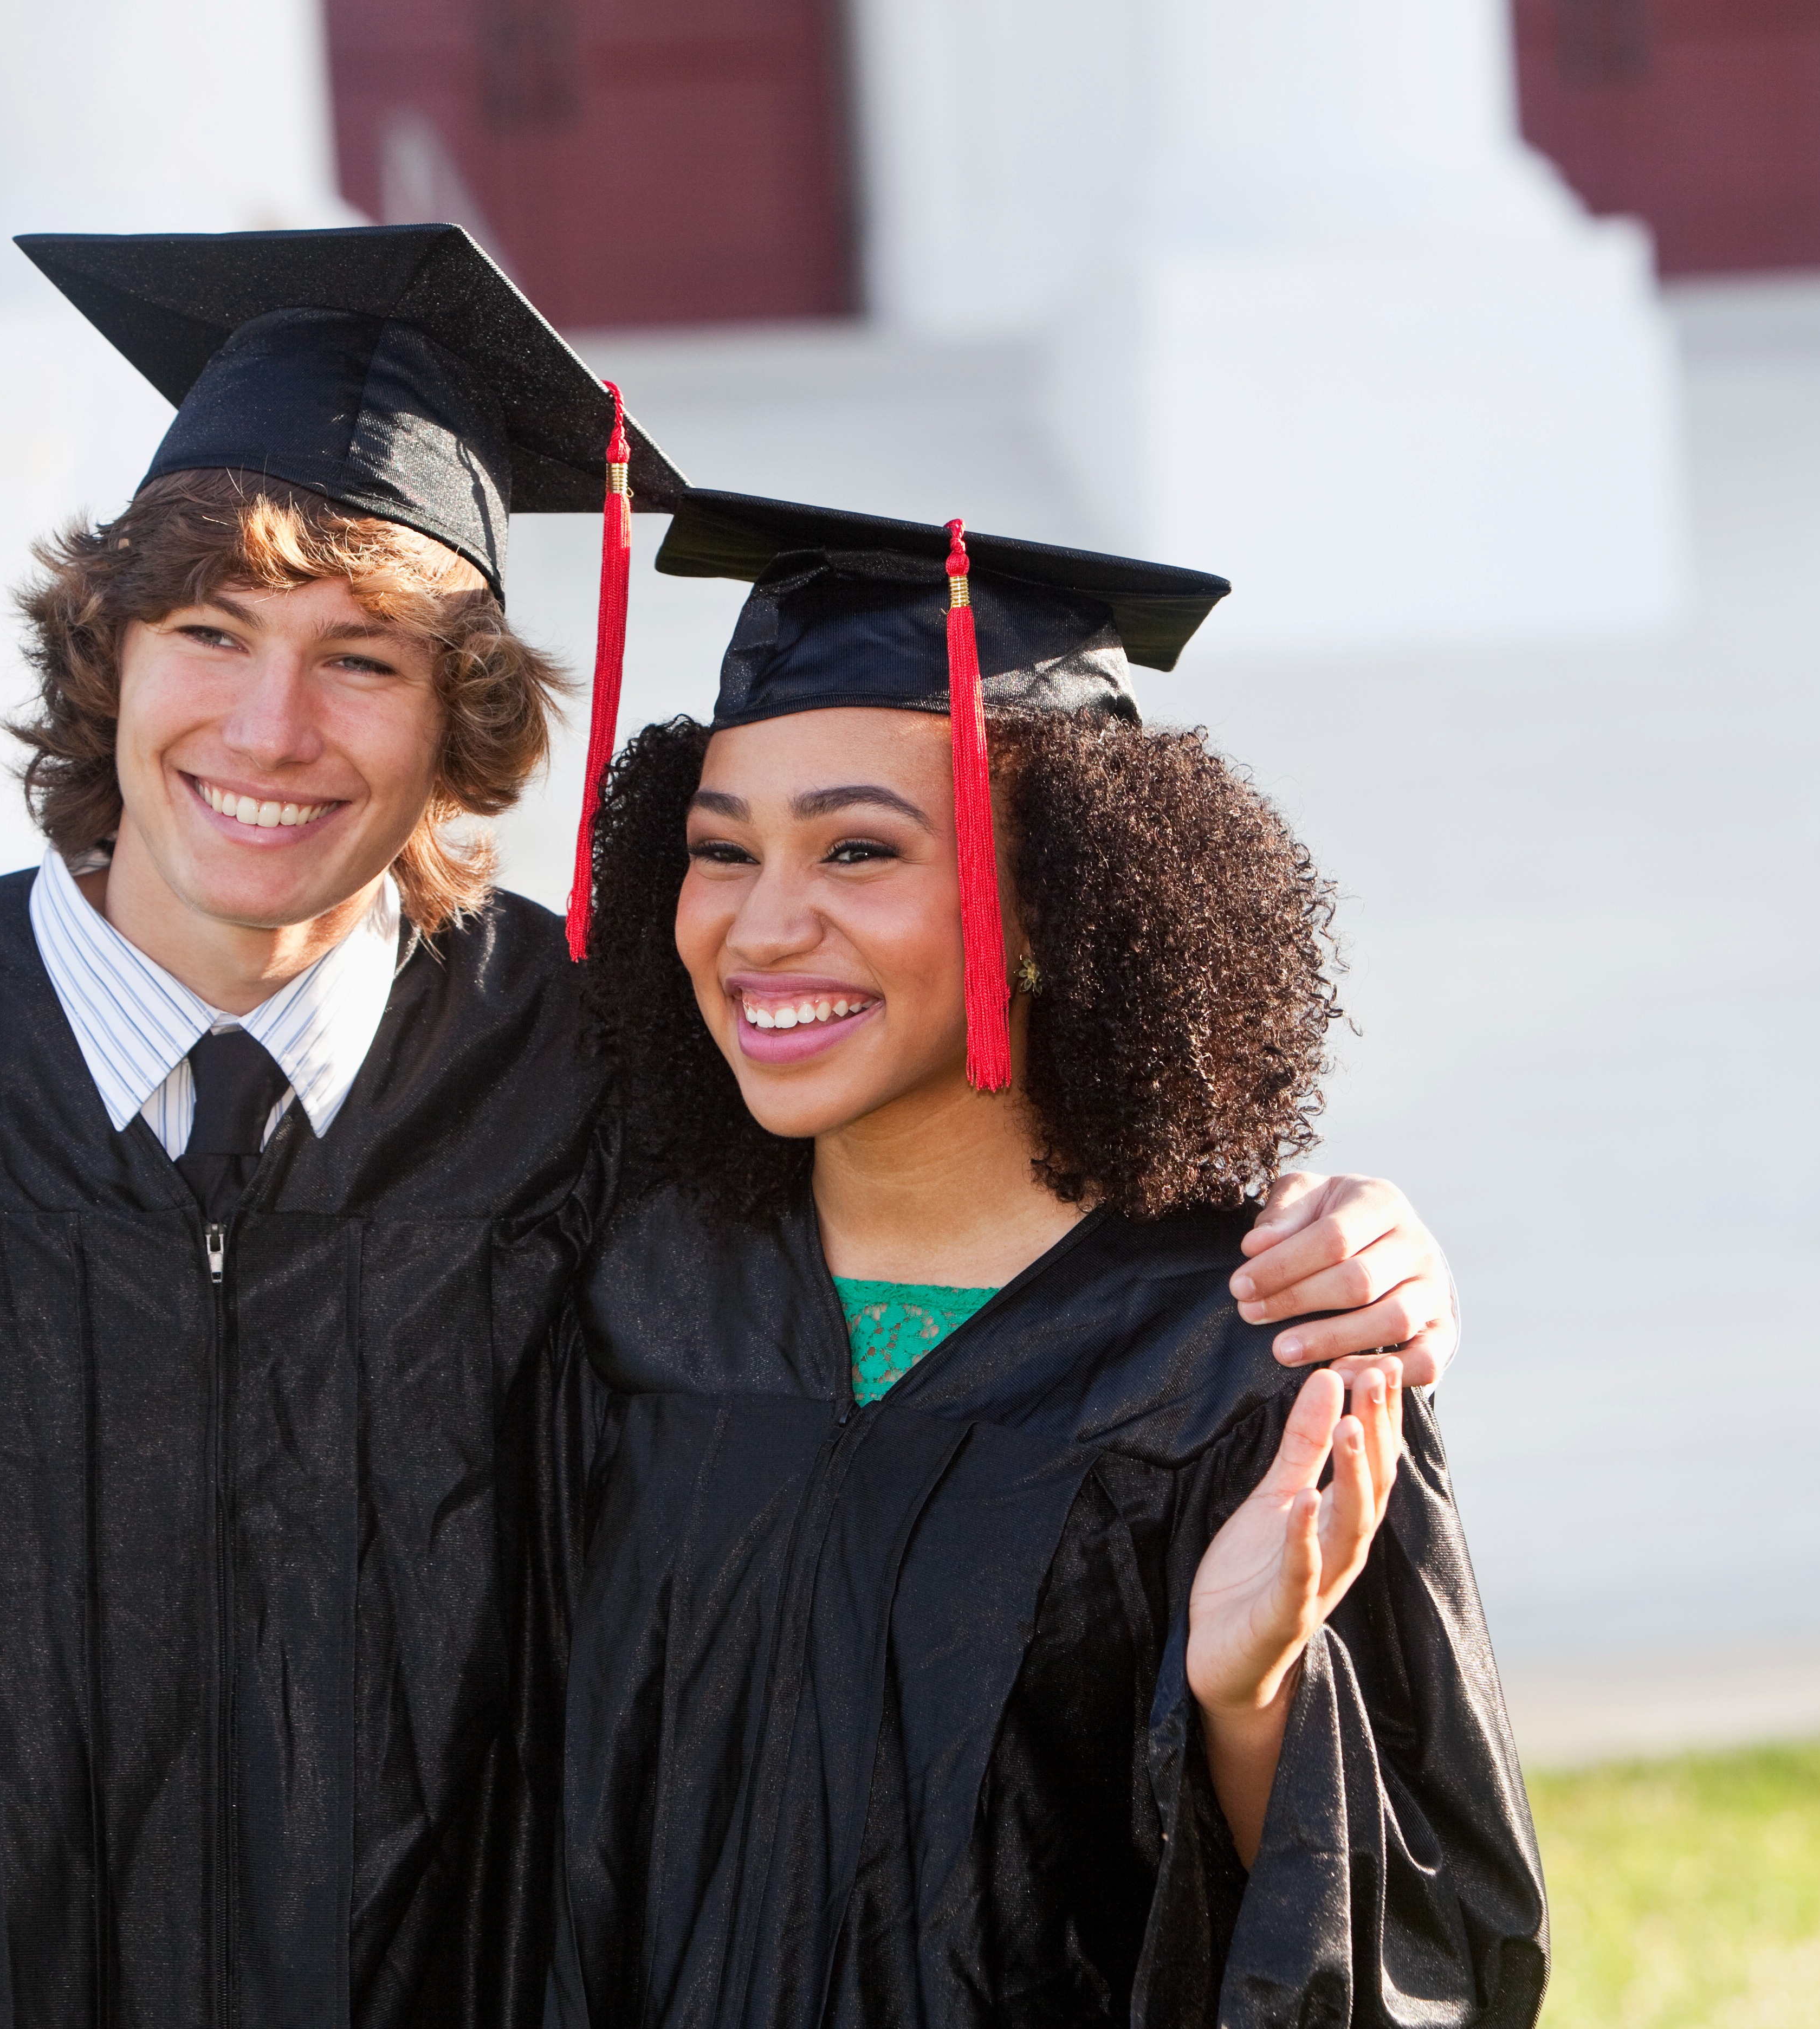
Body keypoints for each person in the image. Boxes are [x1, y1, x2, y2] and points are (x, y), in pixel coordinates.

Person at [0, 225, 1465, 2029]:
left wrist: (1328, 1240)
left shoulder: (589, 1053)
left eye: (365, 661)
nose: (268, 729)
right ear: (107, 659)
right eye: (209, 635)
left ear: (461, 721)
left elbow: (940, 1282)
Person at [549, 493, 1545, 2027]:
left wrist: (1243, 1692)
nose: (764, 924)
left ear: (1053, 905)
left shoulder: (1244, 1359)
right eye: (720, 851)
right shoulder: (635, 1304)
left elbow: (1415, 1952)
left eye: (860, 850)